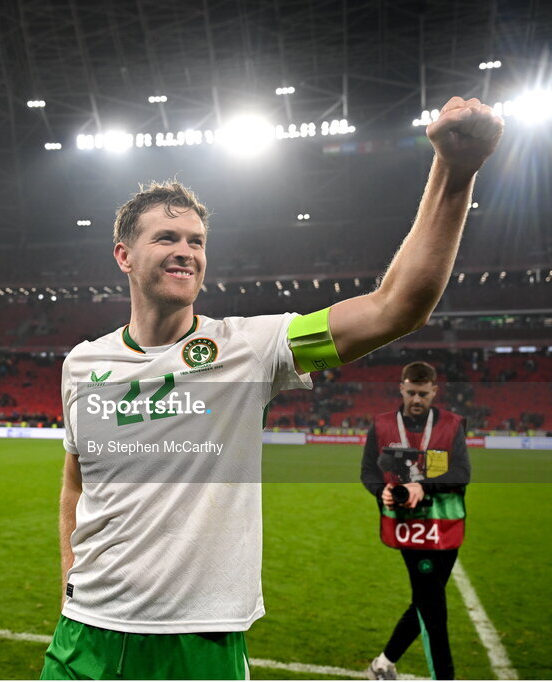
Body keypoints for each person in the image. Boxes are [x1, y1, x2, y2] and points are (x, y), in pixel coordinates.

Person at [41, 96, 503, 679]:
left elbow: (396, 307)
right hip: (83, 639)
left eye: (197, 240)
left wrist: (455, 172)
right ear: (123, 255)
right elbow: (75, 483)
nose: (187, 251)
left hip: (198, 644)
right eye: (166, 238)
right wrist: (69, 586)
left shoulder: (251, 347)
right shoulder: (82, 364)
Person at [361, 361, 471, 680]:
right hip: (409, 527)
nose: (416, 400)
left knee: (425, 600)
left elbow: (462, 474)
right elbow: (368, 471)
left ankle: (383, 663)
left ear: (434, 391)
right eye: (411, 392)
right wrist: (381, 491)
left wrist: (422, 486)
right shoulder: (381, 425)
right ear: (401, 388)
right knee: (435, 609)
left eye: (423, 393)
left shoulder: (452, 424)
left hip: (446, 525)